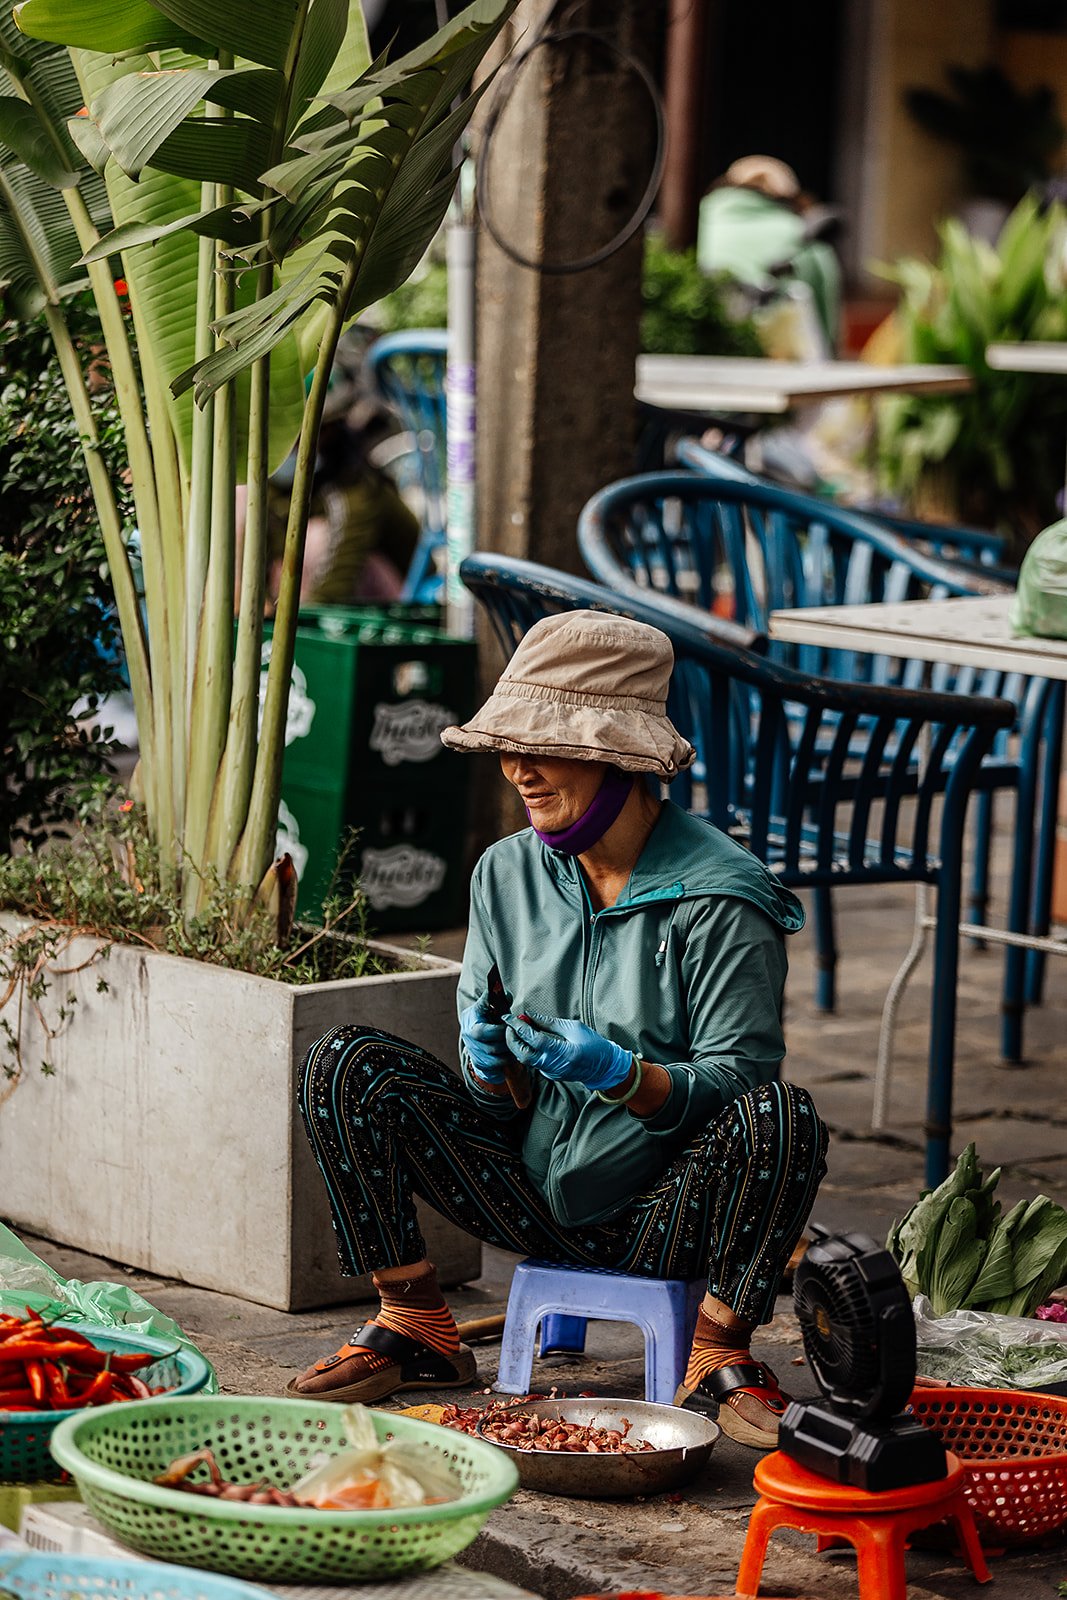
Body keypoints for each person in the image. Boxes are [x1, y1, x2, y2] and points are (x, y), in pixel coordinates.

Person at [291, 611, 828, 1448]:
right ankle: (415, 1322)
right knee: (344, 1061)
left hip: (666, 1212)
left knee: (782, 1117)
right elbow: (495, 1104)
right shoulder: (505, 873)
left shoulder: (721, 896)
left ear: (620, 756)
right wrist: (489, 1067)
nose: (518, 770)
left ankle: (717, 1351)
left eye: (543, 747)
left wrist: (624, 1075)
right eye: (509, 747)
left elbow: (738, 1085)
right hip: (528, 1193)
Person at [697, 154, 841, 356]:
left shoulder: (698, 222)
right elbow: (823, 313)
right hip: (774, 352)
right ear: (790, 196)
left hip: (705, 343)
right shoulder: (800, 235)